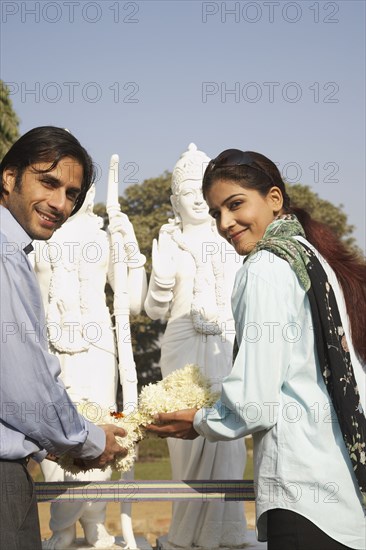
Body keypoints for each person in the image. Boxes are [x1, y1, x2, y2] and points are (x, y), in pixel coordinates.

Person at [147, 149, 366, 550]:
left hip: (302, 490)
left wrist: (197, 422)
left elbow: (253, 402)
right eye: (216, 213)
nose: (225, 223)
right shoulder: (312, 258)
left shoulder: (266, 268)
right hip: (343, 489)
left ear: (274, 199)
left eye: (235, 205)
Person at [0, 126, 127, 550]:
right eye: (48, 182)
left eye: (72, 193)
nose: (60, 203)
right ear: (9, 176)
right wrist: (87, 441)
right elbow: (25, 382)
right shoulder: (5, 254)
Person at [144, 144, 248, 548]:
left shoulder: (230, 237)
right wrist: (161, 276)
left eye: (200, 195)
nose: (196, 204)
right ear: (174, 201)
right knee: (186, 439)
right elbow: (154, 310)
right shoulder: (168, 240)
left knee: (228, 436)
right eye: (187, 196)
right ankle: (186, 533)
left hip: (224, 342)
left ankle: (228, 529)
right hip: (183, 344)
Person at [32, 183, 146, 549]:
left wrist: (130, 248)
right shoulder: (36, 236)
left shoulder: (106, 234)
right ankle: (62, 525)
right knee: (57, 434)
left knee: (101, 431)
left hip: (98, 347)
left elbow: (136, 300)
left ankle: (96, 523)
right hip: (49, 342)